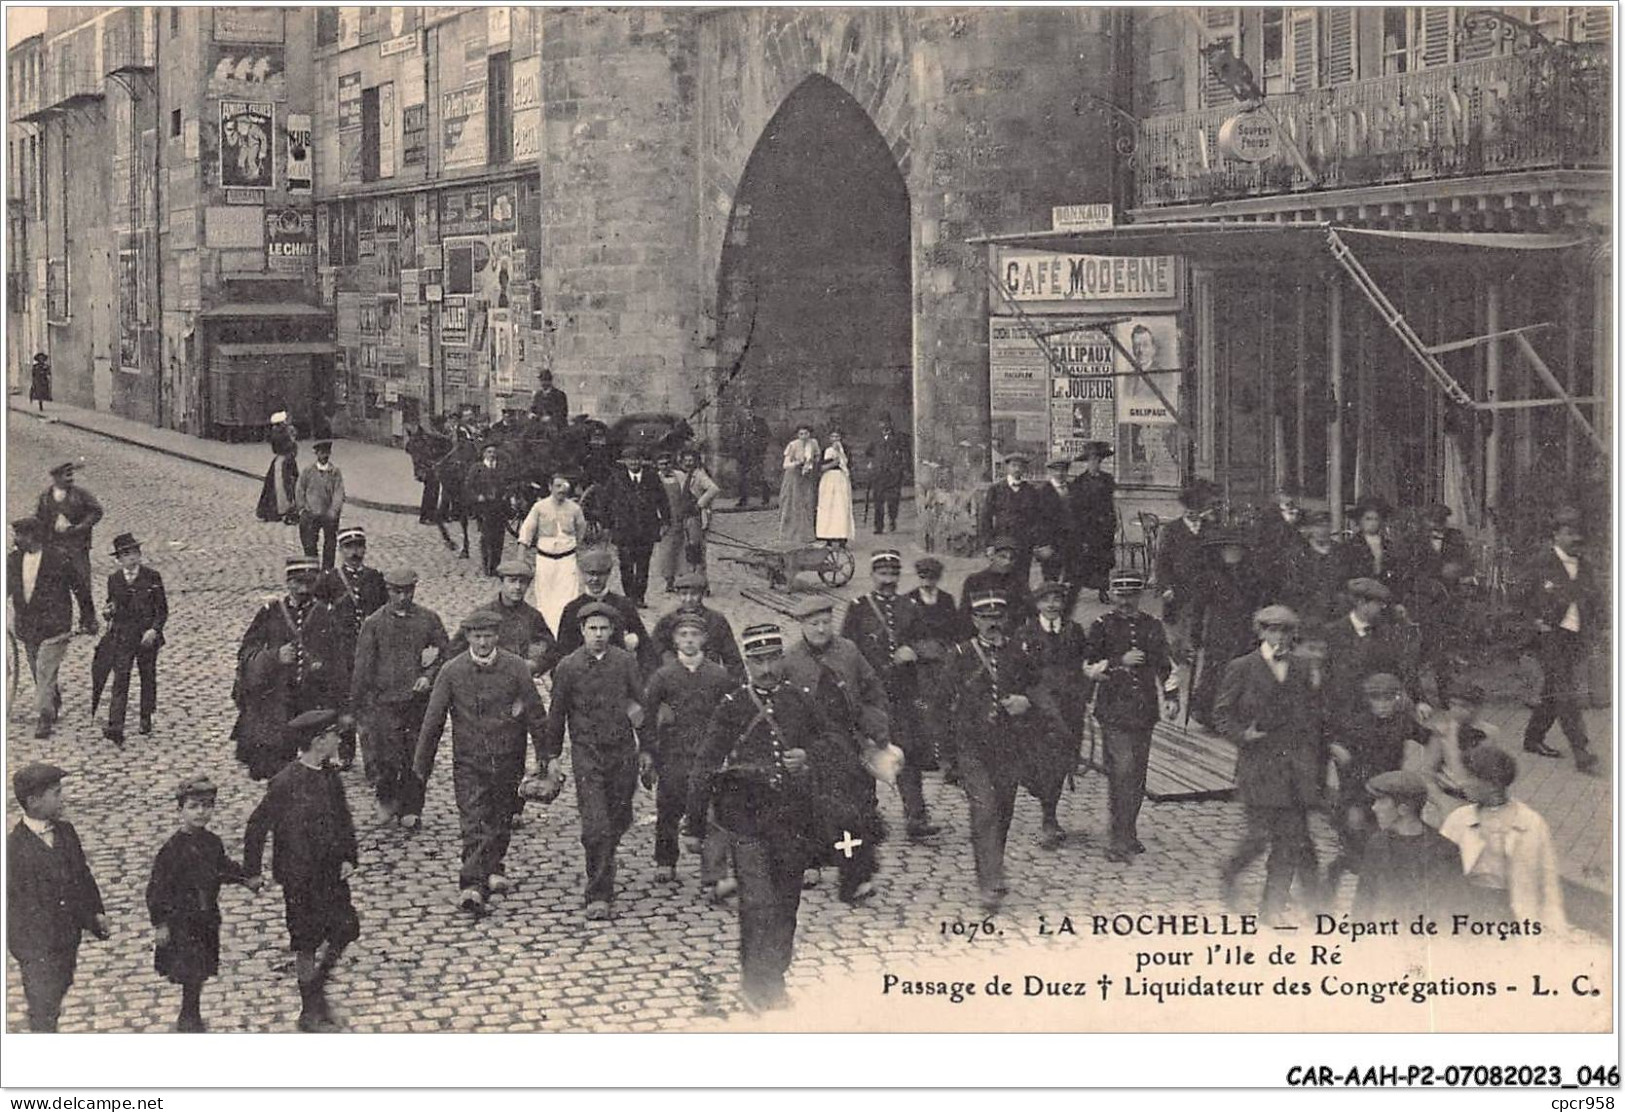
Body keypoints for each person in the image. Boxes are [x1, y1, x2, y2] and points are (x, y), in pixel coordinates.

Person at [686, 622, 827, 1011]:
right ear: (746, 662)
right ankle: (753, 985)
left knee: (786, 906)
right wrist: (694, 824)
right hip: (744, 819)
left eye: (772, 659)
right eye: (757, 660)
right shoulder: (733, 706)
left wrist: (808, 757)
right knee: (758, 904)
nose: (766, 668)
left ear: (782, 658)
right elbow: (706, 763)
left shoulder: (799, 702)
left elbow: (833, 746)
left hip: (791, 821)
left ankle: (775, 980)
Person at [415, 609, 548, 914]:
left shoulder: (515, 668)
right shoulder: (452, 671)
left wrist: (544, 756)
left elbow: (535, 714)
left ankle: (494, 866)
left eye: (488, 636)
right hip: (469, 760)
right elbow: (433, 722)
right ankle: (472, 885)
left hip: (508, 757)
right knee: (474, 820)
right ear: (468, 638)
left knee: (501, 818)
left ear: (497, 637)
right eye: (477, 636)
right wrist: (420, 769)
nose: (483, 642)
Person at [243, 709, 362, 1033]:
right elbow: (257, 825)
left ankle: (318, 992)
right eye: (333, 735)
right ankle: (309, 1011)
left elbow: (344, 820)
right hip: (298, 878)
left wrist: (349, 856)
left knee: (345, 929)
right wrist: (251, 872)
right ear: (317, 741)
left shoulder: (330, 775)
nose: (339, 740)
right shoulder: (285, 782)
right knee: (306, 942)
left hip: (330, 873)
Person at [540, 603, 651, 919]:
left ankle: (605, 855)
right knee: (596, 825)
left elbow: (641, 708)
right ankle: (599, 893)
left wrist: (647, 750)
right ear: (582, 631)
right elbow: (557, 714)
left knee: (619, 817)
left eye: (604, 629)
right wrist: (552, 757)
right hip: (587, 754)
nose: (599, 635)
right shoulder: (568, 667)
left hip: (622, 754)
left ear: (613, 632)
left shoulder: (625, 663)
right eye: (593, 629)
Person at [1214, 605, 1324, 923]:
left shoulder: (1303, 668)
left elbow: (1312, 714)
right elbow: (1221, 712)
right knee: (1259, 836)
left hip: (1293, 769)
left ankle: (1272, 909)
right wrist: (1241, 734)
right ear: (1261, 632)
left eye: (1286, 631)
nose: (1279, 637)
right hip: (1258, 766)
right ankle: (1231, 868)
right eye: (1273, 630)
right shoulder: (1242, 667)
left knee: (1289, 841)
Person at [945, 591, 1052, 909]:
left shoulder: (1018, 653)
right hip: (972, 747)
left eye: (997, 618)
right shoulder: (961, 654)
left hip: (1008, 746)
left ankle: (993, 867)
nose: (992, 624)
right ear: (974, 620)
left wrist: (1027, 703)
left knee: (1003, 810)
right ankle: (990, 881)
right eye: (985, 618)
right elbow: (941, 702)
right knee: (985, 809)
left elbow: (1038, 689)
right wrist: (947, 755)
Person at [781, 596, 889, 904]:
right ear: (801, 625)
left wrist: (877, 727)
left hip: (849, 742)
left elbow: (872, 689)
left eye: (825, 622)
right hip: (813, 748)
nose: (820, 628)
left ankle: (856, 875)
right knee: (817, 808)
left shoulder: (849, 651)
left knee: (858, 807)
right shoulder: (790, 661)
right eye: (813, 623)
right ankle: (826, 867)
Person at [146, 776, 260, 1032]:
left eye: (207, 806)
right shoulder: (172, 850)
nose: (201, 812)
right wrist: (161, 924)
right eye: (194, 806)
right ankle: (188, 1017)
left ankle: (191, 1013)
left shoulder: (212, 842)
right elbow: (157, 890)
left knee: (201, 967)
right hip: (181, 921)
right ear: (180, 810)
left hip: (206, 917)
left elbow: (222, 868)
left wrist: (244, 879)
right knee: (191, 969)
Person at [1081, 571, 1181, 863]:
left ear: (1139, 597)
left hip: (1144, 710)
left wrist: (1172, 697)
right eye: (1120, 596)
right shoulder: (1101, 626)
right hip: (1113, 709)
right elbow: (1087, 666)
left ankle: (1130, 830)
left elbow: (1166, 664)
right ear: (1112, 595)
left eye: (1131, 596)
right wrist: (1116, 663)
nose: (1126, 602)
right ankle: (1118, 838)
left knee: (1136, 774)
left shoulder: (1152, 626)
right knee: (1122, 770)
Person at [840, 550, 940, 840]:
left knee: (907, 752)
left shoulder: (911, 606)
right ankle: (868, 817)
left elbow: (933, 644)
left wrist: (915, 651)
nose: (887, 580)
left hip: (904, 694)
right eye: (882, 574)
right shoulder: (858, 608)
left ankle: (916, 817)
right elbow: (846, 649)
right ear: (872, 576)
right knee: (869, 754)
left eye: (893, 575)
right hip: (870, 696)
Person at [7, 763, 110, 1032]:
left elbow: (82, 875)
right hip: (36, 949)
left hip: (67, 939)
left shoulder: (66, 832)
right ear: (33, 801)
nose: (62, 798)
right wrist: (25, 952)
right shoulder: (13, 849)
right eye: (56, 793)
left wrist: (95, 913)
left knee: (60, 989)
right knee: (43, 1010)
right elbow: (12, 906)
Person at [231, 557, 349, 781]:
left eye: (309, 581)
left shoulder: (326, 615)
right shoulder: (271, 612)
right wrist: (274, 657)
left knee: (316, 764)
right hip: (279, 702)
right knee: (279, 765)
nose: (303, 588)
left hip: (315, 701)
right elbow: (246, 653)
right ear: (288, 582)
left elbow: (340, 664)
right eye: (297, 582)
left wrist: (343, 709)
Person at [642, 612, 736, 886]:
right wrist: (648, 750)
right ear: (674, 640)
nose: (689, 641)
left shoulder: (718, 676)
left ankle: (715, 871)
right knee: (669, 806)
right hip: (673, 752)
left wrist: (727, 748)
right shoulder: (663, 676)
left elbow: (731, 715)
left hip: (709, 754)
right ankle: (665, 860)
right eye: (683, 635)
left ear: (704, 639)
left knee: (714, 811)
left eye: (695, 635)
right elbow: (647, 716)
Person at [350, 568, 449, 828]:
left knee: (416, 755)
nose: (402, 597)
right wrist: (358, 706)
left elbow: (445, 654)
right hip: (383, 702)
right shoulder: (374, 624)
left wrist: (429, 675)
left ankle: (411, 808)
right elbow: (363, 668)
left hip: (417, 703)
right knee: (385, 755)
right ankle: (386, 798)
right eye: (396, 591)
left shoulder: (429, 620)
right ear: (388, 591)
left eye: (407, 591)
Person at [1440, 745, 1567, 929]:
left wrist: (1555, 923)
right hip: (1465, 907)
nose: (1462, 784)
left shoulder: (1530, 823)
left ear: (1492, 783)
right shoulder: (1459, 819)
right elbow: (1438, 869)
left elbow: (1548, 877)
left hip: (1511, 910)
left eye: (1469, 777)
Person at [1323, 672, 1425, 893]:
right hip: (1357, 790)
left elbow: (1427, 735)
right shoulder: (1356, 724)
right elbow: (1327, 739)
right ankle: (1340, 874)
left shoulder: (1403, 722)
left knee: (1386, 841)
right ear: (1367, 700)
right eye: (1376, 699)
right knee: (1357, 842)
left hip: (1388, 792)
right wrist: (1335, 747)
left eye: (1389, 698)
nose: (1383, 704)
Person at [1519, 506, 1599, 774]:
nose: (1575, 538)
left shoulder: (1584, 565)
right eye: (1569, 533)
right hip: (1548, 635)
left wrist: (1603, 628)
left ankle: (1532, 738)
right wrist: (1533, 622)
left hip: (1574, 636)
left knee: (1554, 690)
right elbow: (1520, 598)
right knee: (1565, 692)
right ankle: (1581, 750)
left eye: (1578, 533)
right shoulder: (1540, 563)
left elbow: (1596, 600)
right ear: (1556, 535)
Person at [1015, 580, 1094, 850]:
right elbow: (1016, 671)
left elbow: (1086, 665)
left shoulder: (1074, 631)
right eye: (1045, 600)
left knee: (1060, 763)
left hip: (1068, 709)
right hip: (1036, 710)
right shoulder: (1025, 632)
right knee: (1037, 763)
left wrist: (1084, 694)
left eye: (1056, 600)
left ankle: (1050, 817)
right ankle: (1041, 796)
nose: (1051, 605)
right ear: (1037, 604)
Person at [1352, 770, 1469, 921]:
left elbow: (1454, 909)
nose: (1374, 808)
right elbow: (1363, 900)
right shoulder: (1377, 844)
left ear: (1403, 809)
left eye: (1381, 801)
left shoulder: (1444, 850)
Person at [1187, 528, 1264, 729]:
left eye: (1237, 549)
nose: (1233, 553)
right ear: (1220, 551)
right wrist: (1195, 631)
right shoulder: (1210, 576)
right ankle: (1210, 714)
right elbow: (1199, 606)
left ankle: (1237, 715)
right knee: (1217, 670)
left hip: (1245, 628)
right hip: (1219, 629)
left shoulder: (1251, 575)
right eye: (1229, 549)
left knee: (1241, 670)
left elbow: (1260, 601)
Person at [9, 518, 77, 738]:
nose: (16, 539)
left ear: (32, 537)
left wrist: (89, 617)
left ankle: (44, 717)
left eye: (19, 535)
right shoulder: (13, 560)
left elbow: (80, 586)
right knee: (36, 667)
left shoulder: (58, 558)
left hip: (54, 625)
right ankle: (52, 698)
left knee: (45, 669)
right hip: (28, 626)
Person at [99, 532, 168, 745]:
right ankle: (115, 724)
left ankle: (145, 716)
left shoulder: (152, 576)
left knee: (147, 677)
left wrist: (154, 630)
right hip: (123, 636)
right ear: (118, 559)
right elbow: (112, 604)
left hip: (146, 636)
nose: (130, 558)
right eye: (125, 555)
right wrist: (108, 611)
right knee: (121, 678)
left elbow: (162, 609)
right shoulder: (114, 579)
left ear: (139, 555)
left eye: (133, 553)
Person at [905, 556, 964, 780]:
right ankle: (927, 754)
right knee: (923, 707)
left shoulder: (947, 600)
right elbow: (905, 631)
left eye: (931, 578)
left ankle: (949, 758)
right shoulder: (909, 600)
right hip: (919, 664)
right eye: (923, 577)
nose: (927, 582)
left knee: (946, 705)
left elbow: (955, 630)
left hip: (943, 661)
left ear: (938, 578)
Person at [452, 557, 561, 678]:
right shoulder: (483, 613)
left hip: (519, 679)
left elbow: (552, 650)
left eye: (522, 582)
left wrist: (536, 664)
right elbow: (454, 650)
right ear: (501, 583)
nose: (517, 587)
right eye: (512, 581)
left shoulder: (533, 616)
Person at [557, 548, 657, 671]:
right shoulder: (572, 609)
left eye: (600, 574)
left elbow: (645, 646)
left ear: (609, 574)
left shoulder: (624, 605)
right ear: (582, 574)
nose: (595, 579)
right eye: (590, 574)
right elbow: (562, 652)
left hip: (618, 673)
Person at [1153, 481, 1217, 669]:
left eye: (1197, 507)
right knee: (1177, 631)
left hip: (1202, 588)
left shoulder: (1210, 529)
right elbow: (1162, 562)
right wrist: (1164, 587)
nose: (1192, 512)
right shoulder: (1172, 530)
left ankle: (1196, 658)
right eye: (1188, 507)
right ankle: (1178, 663)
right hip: (1177, 588)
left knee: (1199, 626)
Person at [35, 460, 103, 634]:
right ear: (56, 477)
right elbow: (39, 518)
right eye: (66, 476)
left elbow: (96, 511)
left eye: (71, 475)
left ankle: (88, 620)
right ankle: (61, 622)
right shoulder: (45, 497)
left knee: (82, 583)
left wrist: (81, 526)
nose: (70, 479)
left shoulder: (81, 494)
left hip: (77, 547)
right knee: (58, 586)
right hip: (54, 547)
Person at [516, 473, 587, 636]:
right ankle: (547, 635)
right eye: (558, 486)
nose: (562, 490)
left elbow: (581, 531)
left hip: (567, 560)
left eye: (565, 487)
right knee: (545, 600)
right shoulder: (539, 507)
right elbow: (526, 531)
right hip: (545, 560)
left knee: (569, 599)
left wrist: (576, 551)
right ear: (550, 487)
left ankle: (566, 635)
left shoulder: (575, 509)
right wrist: (521, 559)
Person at [604, 447, 670, 608]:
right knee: (625, 564)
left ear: (642, 460)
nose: (633, 462)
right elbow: (605, 502)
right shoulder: (616, 478)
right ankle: (629, 597)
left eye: (636, 459)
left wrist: (666, 521)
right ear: (625, 461)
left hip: (646, 529)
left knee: (643, 564)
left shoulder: (651, 477)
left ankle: (639, 596)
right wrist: (607, 526)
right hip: (624, 530)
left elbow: (663, 500)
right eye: (630, 459)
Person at [651, 572, 745, 682]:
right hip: (676, 678)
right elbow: (654, 652)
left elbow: (732, 657)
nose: (688, 599)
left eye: (694, 594)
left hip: (709, 677)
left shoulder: (716, 620)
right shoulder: (667, 621)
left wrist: (734, 683)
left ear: (702, 594)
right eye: (684, 594)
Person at [978, 452, 1041, 588]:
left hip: (1024, 542)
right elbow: (986, 518)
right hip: (1002, 540)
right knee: (1002, 576)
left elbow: (1036, 518)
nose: (1017, 469)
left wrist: (1034, 541)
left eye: (1020, 466)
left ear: (1024, 469)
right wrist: (989, 544)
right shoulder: (996, 489)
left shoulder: (1031, 491)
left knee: (1022, 579)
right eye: (1014, 465)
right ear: (1007, 468)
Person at [1067, 441, 1117, 604]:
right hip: (1087, 527)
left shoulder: (1107, 480)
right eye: (1091, 460)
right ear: (1087, 462)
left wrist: (1112, 523)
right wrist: (1079, 528)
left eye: (1097, 460)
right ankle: (1077, 589)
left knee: (1104, 559)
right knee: (1085, 558)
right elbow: (1075, 508)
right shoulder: (1079, 482)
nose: (1095, 463)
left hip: (1104, 527)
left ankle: (1103, 591)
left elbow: (1110, 503)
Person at [959, 535, 1034, 627]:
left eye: (1012, 558)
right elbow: (964, 612)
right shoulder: (975, 580)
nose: (1007, 562)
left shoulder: (1018, 582)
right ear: (992, 556)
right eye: (1002, 557)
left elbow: (1029, 610)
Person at [1335, 494, 1403, 593]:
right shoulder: (1350, 546)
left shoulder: (1389, 545)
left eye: (1376, 519)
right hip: (1359, 594)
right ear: (1360, 520)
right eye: (1368, 519)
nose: (1372, 523)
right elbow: (1344, 577)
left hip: (1384, 592)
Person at [294, 440, 346, 569]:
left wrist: (334, 510)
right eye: (321, 453)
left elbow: (339, 492)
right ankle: (312, 568)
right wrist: (302, 508)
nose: (324, 456)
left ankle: (328, 570)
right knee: (309, 542)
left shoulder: (334, 472)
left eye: (327, 453)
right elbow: (299, 489)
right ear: (316, 453)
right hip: (311, 512)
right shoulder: (308, 471)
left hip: (328, 513)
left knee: (330, 542)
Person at [674, 446, 719, 580]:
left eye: (691, 460)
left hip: (695, 516)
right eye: (685, 460)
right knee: (685, 548)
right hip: (683, 515)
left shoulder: (699, 475)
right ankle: (688, 578)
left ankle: (701, 581)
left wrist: (700, 504)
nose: (688, 463)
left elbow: (714, 489)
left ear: (695, 461)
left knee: (697, 548)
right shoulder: (681, 475)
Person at [466, 442, 509, 577]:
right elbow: (468, 486)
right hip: (484, 508)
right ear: (484, 454)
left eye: (493, 452)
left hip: (500, 507)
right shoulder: (477, 468)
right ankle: (487, 565)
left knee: (499, 537)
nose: (492, 454)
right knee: (486, 537)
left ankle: (496, 565)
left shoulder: (502, 467)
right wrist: (477, 496)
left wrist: (508, 496)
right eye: (489, 452)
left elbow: (509, 484)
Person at [1030, 459, 1074, 593]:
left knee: (1068, 572)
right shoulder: (1041, 491)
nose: (1060, 473)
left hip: (1069, 538)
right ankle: (1050, 597)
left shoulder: (1073, 489)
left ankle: (1064, 597)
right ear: (1050, 472)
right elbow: (1036, 519)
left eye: (1063, 470)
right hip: (1050, 539)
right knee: (1050, 573)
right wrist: (1041, 543)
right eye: (1056, 470)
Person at [865, 412, 910, 535]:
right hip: (879, 474)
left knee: (893, 500)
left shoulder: (899, 438)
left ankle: (892, 519)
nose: (884, 425)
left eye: (886, 422)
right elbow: (869, 453)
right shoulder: (875, 439)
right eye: (881, 422)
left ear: (891, 423)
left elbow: (905, 454)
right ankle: (878, 526)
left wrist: (900, 468)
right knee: (878, 501)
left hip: (893, 474)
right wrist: (870, 463)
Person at [778, 423, 820, 545]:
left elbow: (817, 457)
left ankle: (806, 534)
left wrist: (811, 462)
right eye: (801, 434)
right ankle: (790, 535)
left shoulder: (813, 443)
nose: (804, 436)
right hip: (793, 478)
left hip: (806, 479)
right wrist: (797, 463)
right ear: (798, 435)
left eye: (806, 433)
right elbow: (786, 465)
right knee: (792, 504)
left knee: (807, 504)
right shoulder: (793, 445)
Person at [405, 417, 450, 526]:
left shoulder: (428, 436)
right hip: (426, 468)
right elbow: (411, 450)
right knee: (430, 491)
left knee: (434, 490)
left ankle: (430, 515)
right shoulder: (422, 437)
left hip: (431, 467)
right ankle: (425, 516)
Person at [257, 412, 300, 524]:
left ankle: (283, 508)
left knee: (281, 484)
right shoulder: (281, 434)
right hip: (284, 460)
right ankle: (284, 508)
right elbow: (289, 447)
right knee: (282, 485)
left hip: (283, 460)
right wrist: (292, 441)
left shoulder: (278, 433)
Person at [814, 428, 855, 545]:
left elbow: (848, 465)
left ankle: (842, 537)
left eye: (837, 437)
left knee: (841, 506)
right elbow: (820, 468)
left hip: (841, 479)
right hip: (828, 479)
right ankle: (827, 537)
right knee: (827, 506)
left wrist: (840, 456)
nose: (835, 439)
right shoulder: (825, 451)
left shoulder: (845, 450)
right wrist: (833, 463)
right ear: (829, 438)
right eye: (833, 437)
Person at [730, 403, 774, 510]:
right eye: (746, 410)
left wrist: (761, 447)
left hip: (756, 453)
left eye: (750, 410)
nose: (748, 412)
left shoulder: (760, 422)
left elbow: (767, 436)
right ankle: (743, 499)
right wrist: (738, 449)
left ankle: (765, 497)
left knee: (759, 476)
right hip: (744, 454)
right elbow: (736, 437)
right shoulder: (741, 423)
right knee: (742, 477)